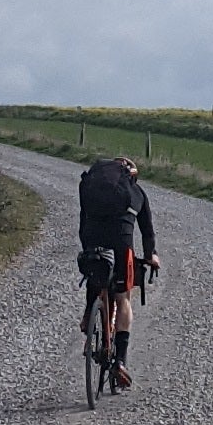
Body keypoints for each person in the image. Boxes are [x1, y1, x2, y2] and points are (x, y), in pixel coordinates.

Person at [76, 151, 158, 386]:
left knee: (96, 272)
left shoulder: (91, 188)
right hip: (122, 243)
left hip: (92, 238)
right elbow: (147, 231)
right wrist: (152, 256)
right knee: (123, 299)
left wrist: (87, 246)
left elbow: (83, 221)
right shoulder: (136, 192)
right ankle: (120, 361)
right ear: (131, 175)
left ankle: (88, 316)